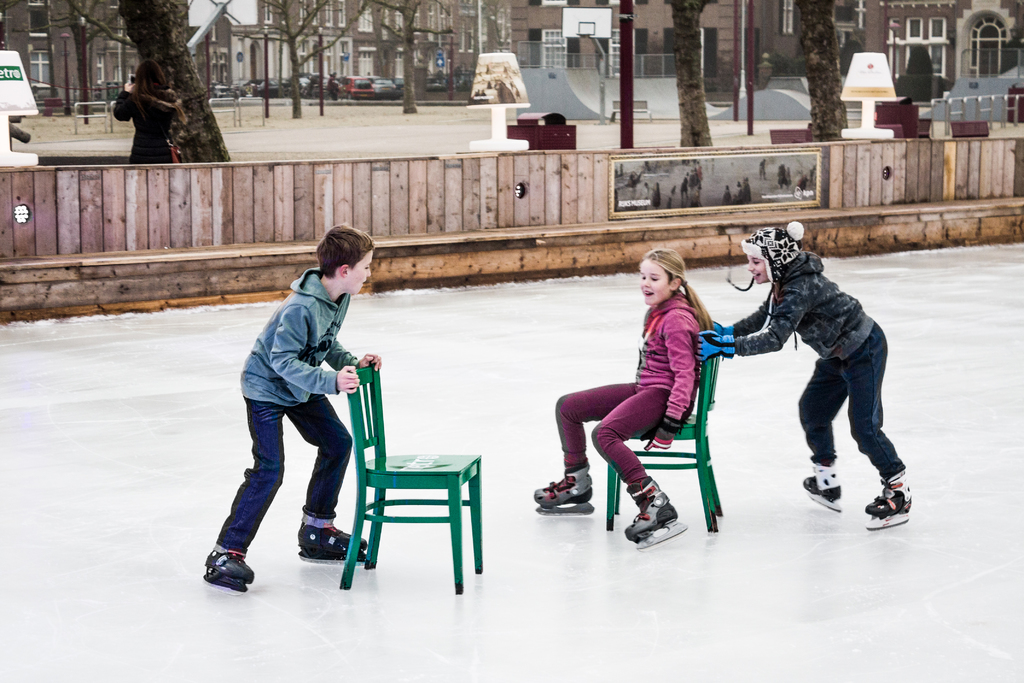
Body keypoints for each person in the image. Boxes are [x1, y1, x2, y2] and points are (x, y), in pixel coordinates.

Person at [204, 225, 382, 592]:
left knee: (337, 443)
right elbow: (282, 361)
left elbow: (325, 342)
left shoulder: (338, 297)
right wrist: (331, 382)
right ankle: (225, 553)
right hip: (266, 389)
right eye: (366, 266)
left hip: (300, 386)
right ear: (345, 270)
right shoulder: (300, 306)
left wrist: (352, 362)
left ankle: (316, 530)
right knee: (269, 470)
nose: (370, 272)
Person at [700, 222, 910, 530]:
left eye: (756, 261)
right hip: (837, 354)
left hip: (864, 349)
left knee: (865, 427)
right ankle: (827, 482)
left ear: (775, 260)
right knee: (813, 409)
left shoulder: (799, 287)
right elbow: (765, 315)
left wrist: (729, 347)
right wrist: (730, 333)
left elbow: (774, 338)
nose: (750, 268)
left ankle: (898, 492)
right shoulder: (785, 280)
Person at [534, 249, 713, 551]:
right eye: (643, 276)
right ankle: (577, 482)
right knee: (568, 406)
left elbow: (685, 376)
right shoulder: (659, 312)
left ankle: (654, 501)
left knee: (604, 433)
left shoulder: (676, 320)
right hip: (646, 388)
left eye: (654, 278)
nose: (645, 283)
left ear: (675, 282)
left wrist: (670, 423)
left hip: (664, 397)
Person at [113, 59, 186, 164]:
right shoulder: (168, 97)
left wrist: (125, 93)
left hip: (141, 154)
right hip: (164, 153)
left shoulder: (136, 100)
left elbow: (120, 114)